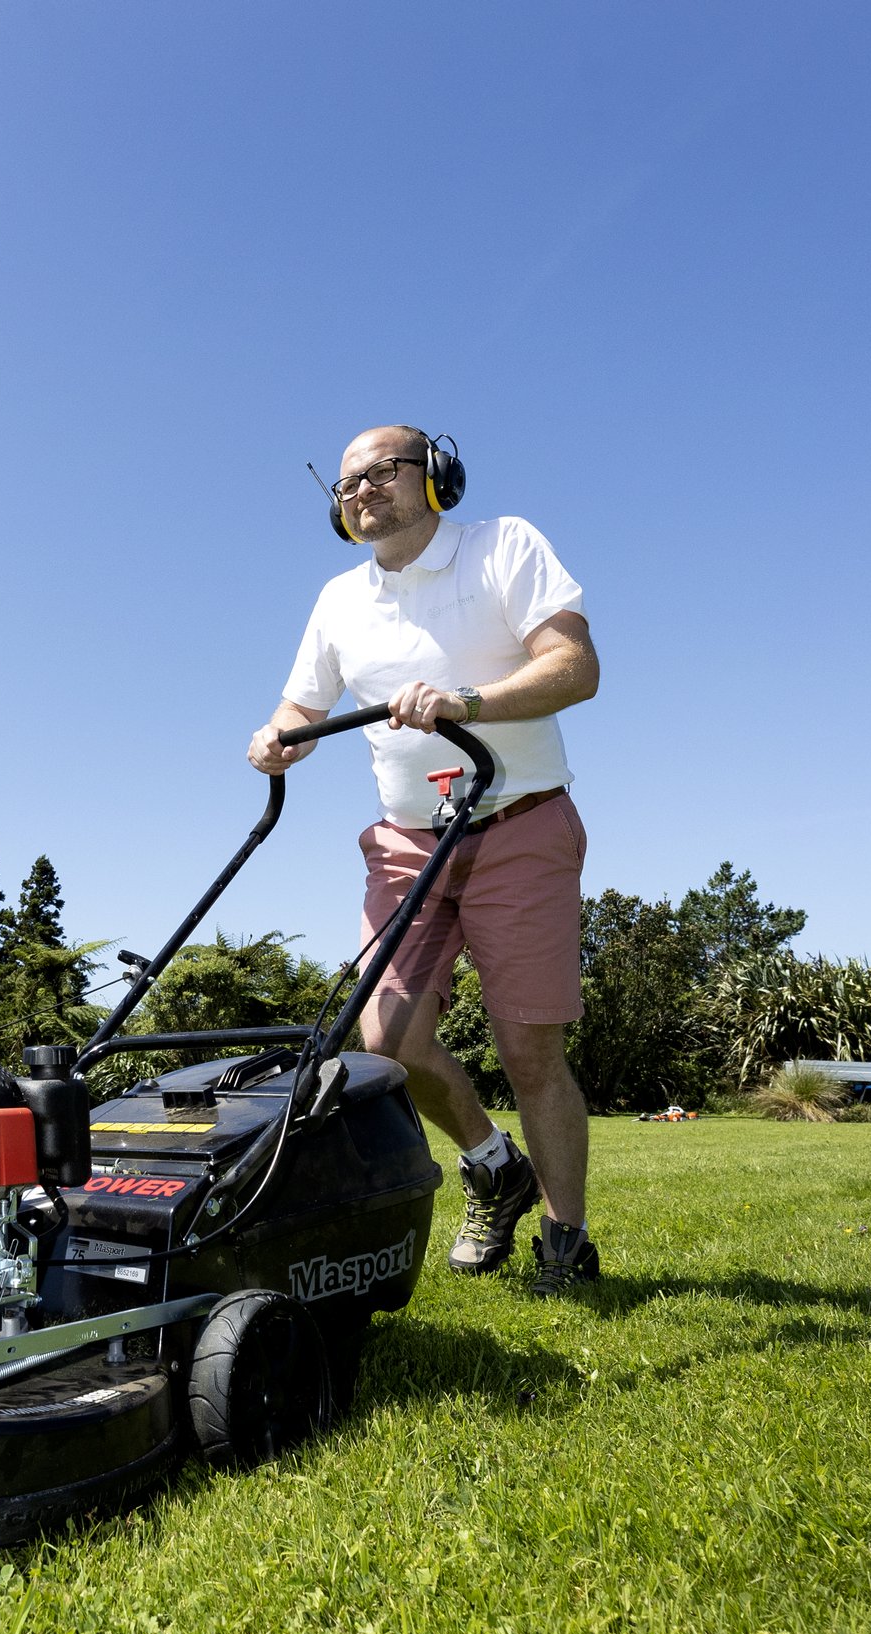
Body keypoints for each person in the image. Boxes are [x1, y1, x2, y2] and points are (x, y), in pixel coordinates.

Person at [246, 424, 603, 1295]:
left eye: (382, 472)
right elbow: (303, 698)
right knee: (387, 1037)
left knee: (528, 1047)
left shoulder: (503, 548)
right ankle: (492, 1165)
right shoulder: (339, 600)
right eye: (346, 484)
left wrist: (466, 701)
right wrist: (278, 734)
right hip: (409, 840)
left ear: (435, 475)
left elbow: (575, 665)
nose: (362, 490)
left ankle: (565, 1236)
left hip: (518, 819)